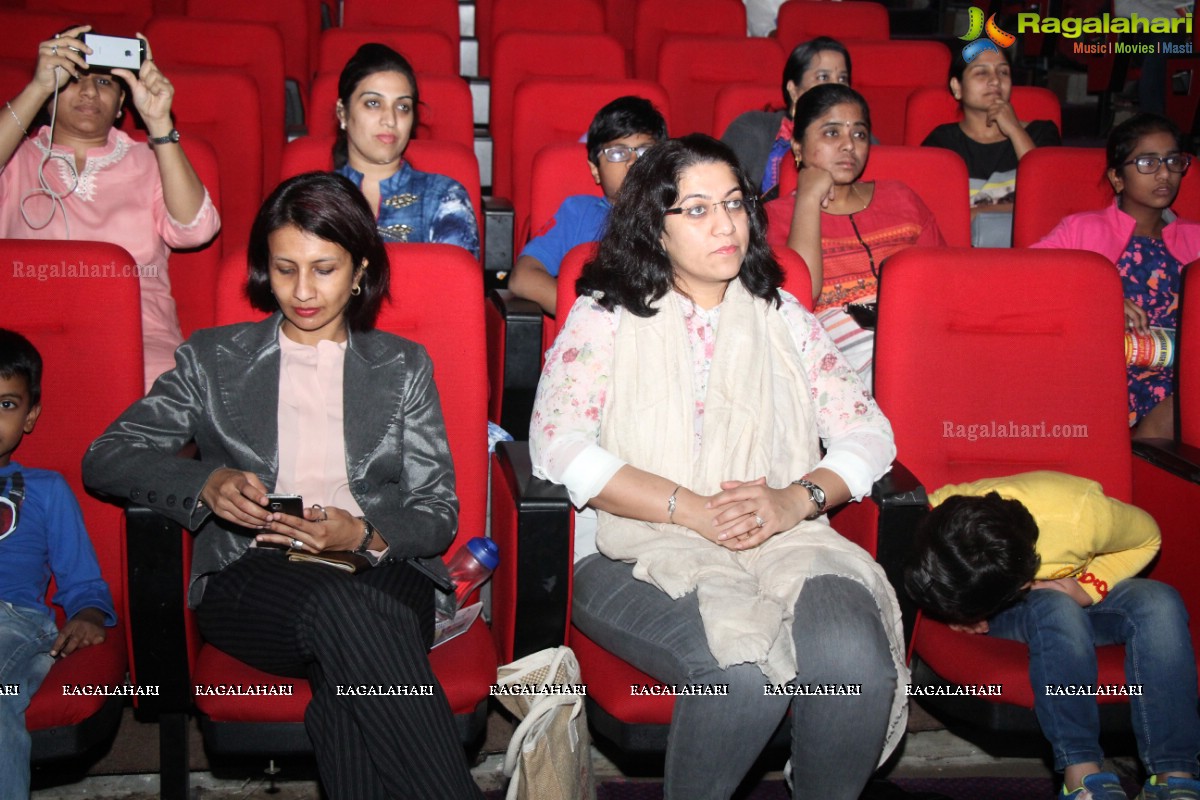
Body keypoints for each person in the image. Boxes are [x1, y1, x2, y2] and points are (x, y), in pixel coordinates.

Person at [82, 173, 483, 800]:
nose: (302, 291)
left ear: (360, 271)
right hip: (255, 569)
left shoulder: (403, 366)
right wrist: (204, 481)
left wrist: (364, 532)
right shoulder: (212, 359)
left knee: (348, 673)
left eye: (324, 269)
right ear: (264, 268)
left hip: (380, 565)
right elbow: (107, 455)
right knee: (349, 624)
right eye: (284, 268)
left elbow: (435, 512)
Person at [531, 134, 908, 800]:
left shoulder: (782, 316)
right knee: (746, 671)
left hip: (783, 536)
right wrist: (693, 509)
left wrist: (795, 500)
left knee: (856, 661)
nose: (726, 224)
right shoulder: (606, 317)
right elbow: (559, 447)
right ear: (655, 226)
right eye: (698, 209)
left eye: (734, 204)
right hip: (635, 550)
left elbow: (869, 434)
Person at [904, 470, 1200, 800]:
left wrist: (1090, 588)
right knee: (1057, 607)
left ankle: (1172, 773)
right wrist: (957, 614)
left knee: (1160, 601)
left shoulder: (1083, 515)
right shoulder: (938, 517)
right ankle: (1082, 773)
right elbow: (922, 574)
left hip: (1072, 586)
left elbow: (1149, 537)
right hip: (1024, 608)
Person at [0, 25, 221, 392]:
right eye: (73, 79)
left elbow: (195, 230)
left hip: (139, 334)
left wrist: (160, 124)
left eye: (104, 83)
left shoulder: (151, 159)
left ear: (122, 104)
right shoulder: (16, 157)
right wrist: (37, 88)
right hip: (25, 334)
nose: (88, 91)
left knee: (170, 399)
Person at [765, 83, 945, 389]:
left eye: (859, 134)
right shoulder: (775, 216)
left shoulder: (901, 198)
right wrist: (807, 199)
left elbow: (944, 284)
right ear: (797, 147)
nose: (849, 145)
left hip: (920, 337)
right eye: (832, 133)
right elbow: (799, 303)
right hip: (836, 359)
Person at [0, 328, 117, 800]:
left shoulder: (46, 489)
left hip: (13, 621)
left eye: (6, 404)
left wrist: (88, 614)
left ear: (31, 416)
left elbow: (82, 578)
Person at [1033, 113, 1200, 440]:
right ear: (1117, 177)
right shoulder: (1080, 229)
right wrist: (1098, 299)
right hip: (1101, 372)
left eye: (1172, 161)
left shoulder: (1196, 238)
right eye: (1148, 163)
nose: (1164, 173)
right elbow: (1022, 280)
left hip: (1181, 379)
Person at [508, 95, 668, 315]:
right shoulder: (577, 213)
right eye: (618, 153)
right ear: (595, 169)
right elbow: (523, 277)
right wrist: (588, 316)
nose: (633, 161)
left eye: (644, 151)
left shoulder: (680, 214)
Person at [334, 43, 479, 258]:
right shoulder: (312, 199)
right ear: (342, 113)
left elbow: (454, 286)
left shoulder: (444, 197)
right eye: (373, 103)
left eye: (402, 107)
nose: (390, 120)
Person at [920, 47, 1060, 247]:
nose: (995, 80)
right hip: (962, 258)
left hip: (1029, 253)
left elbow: (1051, 198)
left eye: (1003, 72)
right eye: (981, 72)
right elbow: (935, 217)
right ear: (957, 87)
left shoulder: (1041, 133)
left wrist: (1014, 129)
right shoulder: (941, 143)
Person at [721, 37, 853, 194]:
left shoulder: (857, 138)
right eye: (823, 77)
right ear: (793, 90)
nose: (835, 87)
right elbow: (722, 194)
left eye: (842, 79)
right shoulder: (751, 129)